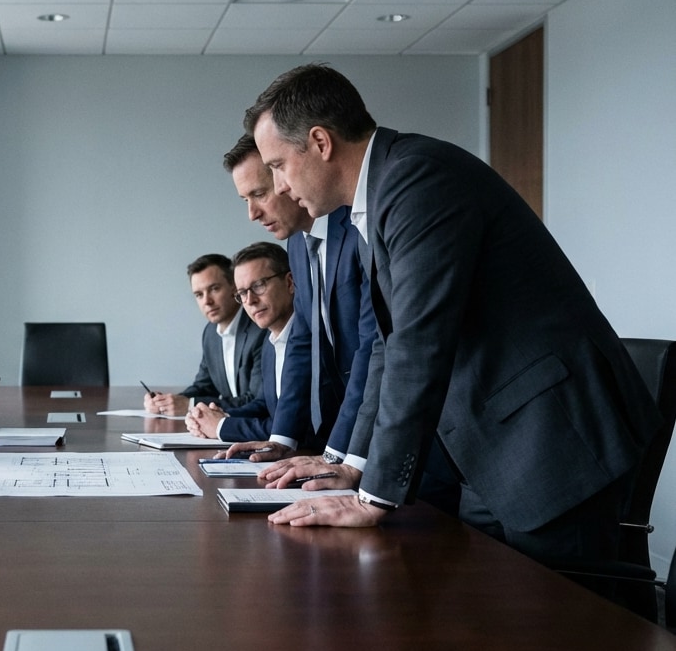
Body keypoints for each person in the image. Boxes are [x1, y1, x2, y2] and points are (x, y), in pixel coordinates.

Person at [245, 63, 659, 564]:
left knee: (558, 634)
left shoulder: (417, 179)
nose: (279, 186)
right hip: (494, 452)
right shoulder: (381, 195)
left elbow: (418, 345)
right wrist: (355, 466)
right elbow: (386, 343)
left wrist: (373, 497)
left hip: (551, 446)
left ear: (320, 142)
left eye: (278, 165)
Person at [216, 134, 375, 469]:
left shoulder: (357, 226)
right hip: (339, 437)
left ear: (283, 176)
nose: (252, 214)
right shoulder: (298, 247)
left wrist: (341, 456)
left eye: (259, 193)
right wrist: (281, 440)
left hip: (382, 434)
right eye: (244, 199)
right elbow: (302, 342)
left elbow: (372, 347)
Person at [186, 242, 295, 441]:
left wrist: (221, 426)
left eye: (259, 285)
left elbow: (294, 427)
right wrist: (208, 418)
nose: (250, 300)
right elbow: (264, 404)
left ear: (290, 283)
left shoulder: (303, 340)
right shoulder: (272, 339)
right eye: (243, 293)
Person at [144, 253, 265, 416]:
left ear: (234, 288)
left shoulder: (260, 330)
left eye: (214, 289)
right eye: (199, 295)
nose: (206, 301)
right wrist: (169, 402)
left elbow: (256, 401)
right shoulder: (210, 333)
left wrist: (189, 405)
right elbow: (205, 386)